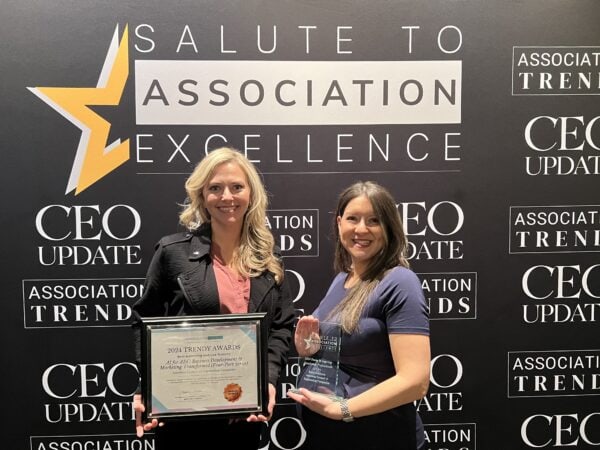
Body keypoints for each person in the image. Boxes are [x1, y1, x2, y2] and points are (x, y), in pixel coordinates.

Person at [131, 146, 295, 449]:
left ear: (251, 194)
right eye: (215, 188)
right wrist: (148, 387)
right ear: (202, 196)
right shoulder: (172, 253)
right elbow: (145, 322)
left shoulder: (268, 261)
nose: (227, 197)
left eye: (237, 187)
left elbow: (283, 327)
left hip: (243, 416)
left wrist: (267, 381)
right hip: (184, 417)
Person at [288, 181, 430, 450]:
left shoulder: (399, 282)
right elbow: (350, 351)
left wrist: (342, 409)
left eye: (374, 220)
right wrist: (312, 348)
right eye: (353, 218)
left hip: (381, 436)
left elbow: (416, 382)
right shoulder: (342, 280)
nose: (361, 229)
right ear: (339, 223)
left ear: (389, 228)